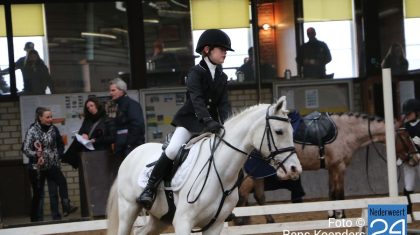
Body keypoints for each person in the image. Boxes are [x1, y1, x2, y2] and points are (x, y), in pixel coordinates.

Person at [137, 29, 233, 210]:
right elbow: (197, 101)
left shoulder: (222, 76)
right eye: (221, 49)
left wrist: (227, 124)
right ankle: (149, 189)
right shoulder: (195, 73)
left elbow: (224, 104)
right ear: (207, 50)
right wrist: (208, 120)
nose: (225, 52)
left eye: (225, 50)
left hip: (212, 124)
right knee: (173, 150)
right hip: (191, 122)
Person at [22, 107, 77, 220]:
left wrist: (59, 155)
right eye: (48, 117)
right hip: (37, 166)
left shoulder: (53, 129)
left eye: (51, 116)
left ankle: (64, 209)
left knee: (59, 185)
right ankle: (36, 218)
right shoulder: (32, 130)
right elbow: (25, 149)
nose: (50, 119)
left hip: (52, 164)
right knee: (39, 194)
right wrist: (37, 154)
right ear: (40, 118)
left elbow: (60, 144)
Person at [63, 97, 116, 168]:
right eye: (88, 108)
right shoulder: (87, 120)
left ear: (97, 105)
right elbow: (81, 132)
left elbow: (113, 138)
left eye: (92, 106)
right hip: (88, 154)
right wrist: (83, 134)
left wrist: (96, 140)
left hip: (103, 154)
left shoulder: (107, 120)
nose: (90, 108)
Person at [109, 78, 145, 158]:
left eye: (113, 90)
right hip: (123, 149)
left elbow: (138, 125)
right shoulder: (119, 105)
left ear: (122, 91)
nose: (110, 93)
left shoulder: (131, 105)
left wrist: (129, 144)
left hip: (130, 149)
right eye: (110, 90)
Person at [400, 98, 420, 214]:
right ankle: (408, 211)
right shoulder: (405, 126)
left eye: (409, 113)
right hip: (409, 160)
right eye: (406, 114)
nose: (407, 116)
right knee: (408, 186)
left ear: (416, 112)